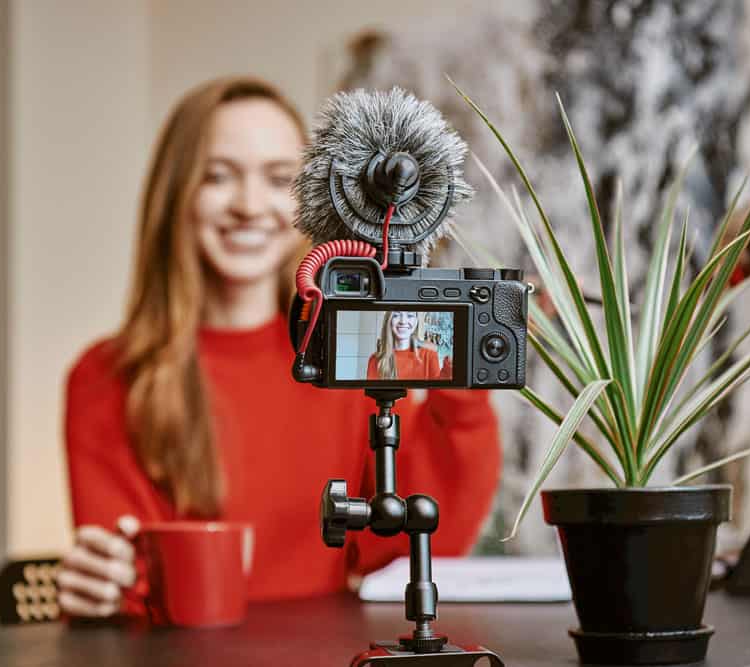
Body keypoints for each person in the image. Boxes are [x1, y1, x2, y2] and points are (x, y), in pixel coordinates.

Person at [57, 77, 501, 619]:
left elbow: (408, 546)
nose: (249, 205)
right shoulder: (106, 377)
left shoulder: (345, 354)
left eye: (277, 179)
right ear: (177, 194)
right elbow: (129, 585)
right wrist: (102, 583)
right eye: (218, 177)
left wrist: (463, 378)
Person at [366, 311, 446, 381]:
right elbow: (371, 397)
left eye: (410, 315)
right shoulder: (375, 359)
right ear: (388, 320)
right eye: (396, 315)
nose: (403, 321)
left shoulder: (429, 355)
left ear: (416, 321)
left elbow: (437, 394)